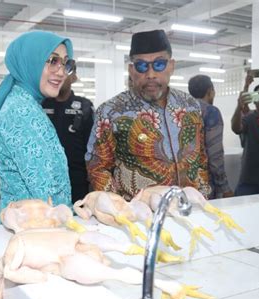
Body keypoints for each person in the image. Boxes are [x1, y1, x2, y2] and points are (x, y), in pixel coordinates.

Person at [86, 30, 211, 201]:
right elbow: (98, 168)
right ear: (131, 70)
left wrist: (202, 196)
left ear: (171, 66)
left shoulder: (190, 106)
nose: (150, 74)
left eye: (159, 64)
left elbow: (201, 159)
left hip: (189, 211)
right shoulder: (111, 112)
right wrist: (121, 211)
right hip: (138, 219)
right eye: (142, 66)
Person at [0, 31, 75, 221]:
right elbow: (44, 192)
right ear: (30, 61)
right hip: (33, 228)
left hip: (35, 225)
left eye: (65, 63)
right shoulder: (20, 112)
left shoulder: (26, 104)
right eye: (52, 60)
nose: (61, 72)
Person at [42, 64, 94, 203]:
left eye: (67, 71)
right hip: (46, 182)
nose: (61, 75)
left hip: (77, 183)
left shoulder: (85, 107)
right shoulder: (41, 105)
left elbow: (93, 149)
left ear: (74, 77)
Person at [188, 74, 233, 199]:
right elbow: (215, 154)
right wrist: (224, 187)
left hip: (181, 179)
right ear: (210, 91)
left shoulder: (181, 111)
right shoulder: (211, 112)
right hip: (203, 181)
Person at [231, 78, 259, 196]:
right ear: (253, 99)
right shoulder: (249, 118)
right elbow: (236, 128)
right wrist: (239, 106)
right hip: (251, 180)